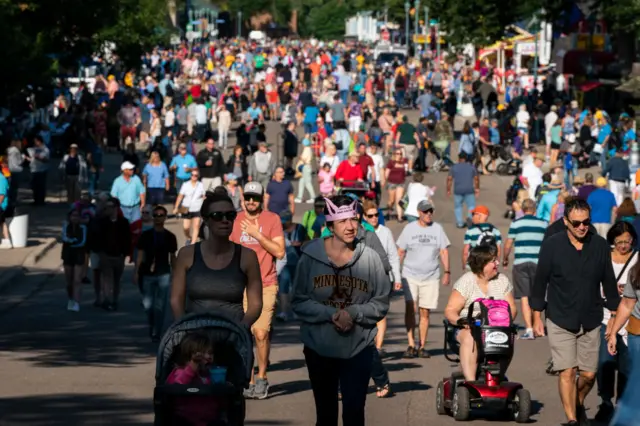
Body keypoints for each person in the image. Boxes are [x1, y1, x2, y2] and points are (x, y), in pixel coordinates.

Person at [291, 195, 390, 426]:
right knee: (325, 415)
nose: (350, 226)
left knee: (354, 414)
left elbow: (382, 301)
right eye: (343, 220)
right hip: (319, 348)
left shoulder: (371, 258)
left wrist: (353, 313)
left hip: (358, 349)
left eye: (354, 219)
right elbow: (298, 300)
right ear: (330, 224)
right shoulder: (310, 256)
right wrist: (331, 314)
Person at [531, 198, 620, 426]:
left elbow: (608, 280)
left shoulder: (599, 245)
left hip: (591, 318)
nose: (582, 227)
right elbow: (540, 281)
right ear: (566, 221)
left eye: (586, 222)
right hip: (560, 317)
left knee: (589, 376)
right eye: (577, 223)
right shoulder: (552, 245)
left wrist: (614, 316)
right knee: (567, 371)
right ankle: (572, 420)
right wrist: (536, 316)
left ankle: (577, 402)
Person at [230, 182, 285, 400]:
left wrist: (257, 235)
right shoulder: (234, 220)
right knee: (244, 335)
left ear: (262, 199)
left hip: (266, 283)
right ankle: (248, 379)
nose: (251, 202)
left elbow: (280, 252)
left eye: (255, 198)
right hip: (240, 285)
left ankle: (262, 377)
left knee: (260, 333)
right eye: (248, 198)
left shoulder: (272, 219)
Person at [444, 245, 517, 381]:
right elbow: (450, 311)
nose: (497, 264)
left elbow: (511, 307)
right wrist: (462, 321)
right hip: (468, 328)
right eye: (493, 261)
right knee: (470, 337)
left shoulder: (502, 281)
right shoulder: (466, 281)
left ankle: (497, 377)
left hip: (495, 328)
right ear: (482, 263)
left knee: (508, 337)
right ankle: (471, 382)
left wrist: (505, 321)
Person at [593, 222, 637, 422]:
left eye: (627, 241)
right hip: (605, 315)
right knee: (605, 361)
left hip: (630, 320)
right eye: (619, 241)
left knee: (627, 365)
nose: (623, 245)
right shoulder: (604, 258)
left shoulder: (637, 259)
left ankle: (622, 403)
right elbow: (595, 282)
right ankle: (605, 400)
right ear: (612, 241)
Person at [397, 200, 451, 358]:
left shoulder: (437, 229)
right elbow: (400, 251)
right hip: (410, 275)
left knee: (425, 311)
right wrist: (393, 273)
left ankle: (422, 345)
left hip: (431, 276)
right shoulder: (409, 229)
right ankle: (410, 344)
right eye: (426, 211)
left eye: (430, 211)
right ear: (419, 213)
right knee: (410, 308)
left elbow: (444, 251)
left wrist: (447, 271)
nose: (429, 214)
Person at [502, 199, 547, 340]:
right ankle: (537, 324)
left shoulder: (516, 223)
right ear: (534, 210)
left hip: (521, 262)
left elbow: (508, 243)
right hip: (538, 263)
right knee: (537, 294)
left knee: (524, 296)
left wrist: (505, 258)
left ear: (522, 209)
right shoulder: (543, 224)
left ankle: (529, 328)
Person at [362, 200, 402, 356]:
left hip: (384, 278)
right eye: (370, 215)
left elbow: (393, 256)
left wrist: (397, 279)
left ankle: (378, 348)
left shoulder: (385, 232)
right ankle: (366, 344)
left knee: (381, 312)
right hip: (365, 279)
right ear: (364, 217)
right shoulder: (361, 233)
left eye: (376, 215)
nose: (374, 218)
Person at [135, 205, 177, 341]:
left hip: (163, 272)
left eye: (161, 215)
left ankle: (156, 332)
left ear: (165, 218)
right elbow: (140, 254)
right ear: (153, 217)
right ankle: (152, 324)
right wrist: (136, 272)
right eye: (156, 215)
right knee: (148, 305)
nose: (158, 218)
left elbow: (173, 256)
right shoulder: (145, 236)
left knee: (160, 305)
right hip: (147, 273)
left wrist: (176, 274)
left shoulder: (170, 237)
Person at [165, 332, 224, 425]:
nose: (208, 357)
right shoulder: (180, 372)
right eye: (203, 354)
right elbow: (178, 385)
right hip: (185, 419)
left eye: (210, 353)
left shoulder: (211, 374)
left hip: (210, 419)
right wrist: (192, 367)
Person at [95, 197, 131, 311]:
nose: (108, 209)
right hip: (105, 255)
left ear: (116, 208)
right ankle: (107, 299)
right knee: (107, 277)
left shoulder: (123, 222)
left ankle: (114, 299)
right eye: (106, 207)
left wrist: (125, 254)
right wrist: (101, 252)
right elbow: (98, 237)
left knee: (117, 279)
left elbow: (127, 239)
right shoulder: (102, 222)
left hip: (119, 255)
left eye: (110, 207)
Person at [61, 208, 88, 312]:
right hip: (67, 254)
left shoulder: (83, 227)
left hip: (79, 254)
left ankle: (76, 302)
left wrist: (71, 241)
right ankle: (71, 298)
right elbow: (64, 238)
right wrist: (72, 240)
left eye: (77, 216)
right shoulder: (65, 226)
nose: (75, 218)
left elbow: (83, 241)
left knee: (77, 280)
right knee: (69, 281)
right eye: (73, 216)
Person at [447, 152, 479, 228]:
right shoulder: (471, 167)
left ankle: (460, 223)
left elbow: (449, 179)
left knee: (458, 207)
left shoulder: (454, 167)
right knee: (471, 206)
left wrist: (448, 189)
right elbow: (476, 179)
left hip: (458, 190)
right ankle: (470, 219)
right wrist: (477, 188)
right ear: (466, 159)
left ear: (459, 158)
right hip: (469, 190)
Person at [25, 134, 50, 205]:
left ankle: (41, 201)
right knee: (34, 186)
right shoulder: (34, 149)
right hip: (34, 169)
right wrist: (27, 158)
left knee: (41, 186)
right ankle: (36, 200)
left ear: (39, 141)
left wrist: (38, 157)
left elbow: (46, 160)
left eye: (36, 141)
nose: (35, 143)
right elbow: (32, 159)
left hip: (41, 170)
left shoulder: (45, 149)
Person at [385, 149, 408, 221]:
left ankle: (399, 217)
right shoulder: (391, 162)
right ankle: (388, 212)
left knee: (399, 199)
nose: (399, 155)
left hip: (401, 183)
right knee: (391, 200)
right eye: (397, 154)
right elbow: (386, 173)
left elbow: (406, 172)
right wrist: (386, 182)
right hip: (391, 183)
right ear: (394, 154)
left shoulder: (404, 162)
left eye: (400, 154)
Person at [295, 138, 315, 203]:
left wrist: (300, 157)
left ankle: (313, 197)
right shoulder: (308, 149)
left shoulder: (307, 150)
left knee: (307, 183)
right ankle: (299, 197)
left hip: (306, 167)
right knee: (301, 182)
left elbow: (304, 159)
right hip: (305, 167)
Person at [0, 171, 11, 249]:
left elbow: (2, 195)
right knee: (2, 222)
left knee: (2, 222)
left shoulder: (1, 179)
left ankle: (7, 241)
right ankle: (6, 241)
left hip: (1, 205)